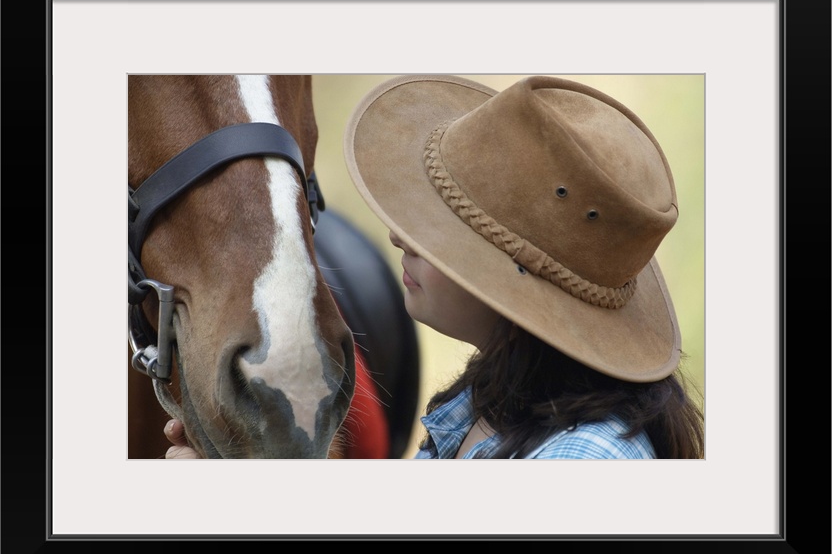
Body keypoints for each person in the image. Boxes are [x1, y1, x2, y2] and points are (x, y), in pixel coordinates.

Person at [165, 74, 704, 460]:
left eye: (443, 231)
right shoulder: (486, 409)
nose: (398, 235)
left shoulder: (581, 463)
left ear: (519, 282)